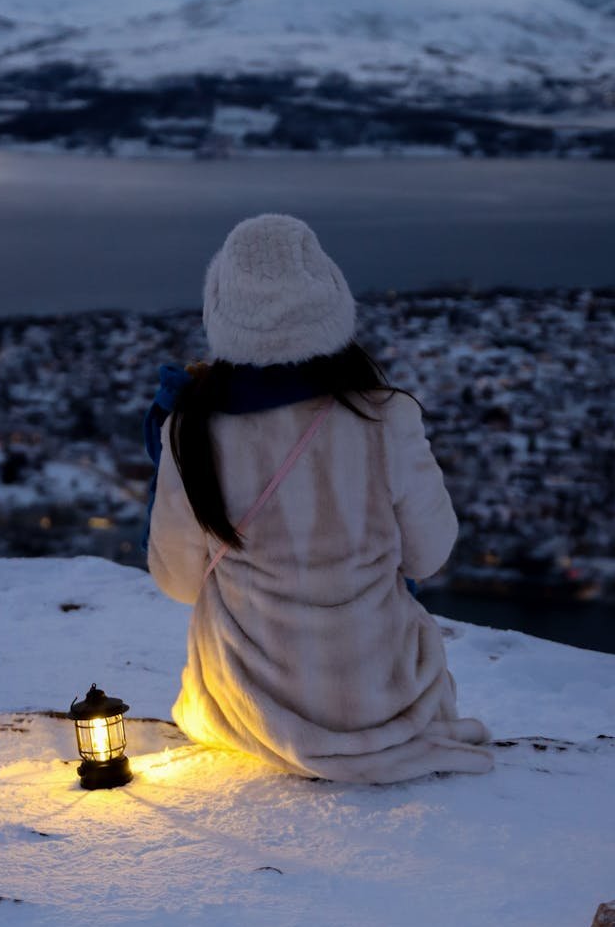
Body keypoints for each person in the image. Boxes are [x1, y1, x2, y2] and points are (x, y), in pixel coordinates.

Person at [147, 214, 492, 782]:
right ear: (332, 300)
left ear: (221, 311)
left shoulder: (190, 427)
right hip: (388, 697)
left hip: (247, 713)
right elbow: (429, 555)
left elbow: (179, 581)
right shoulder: (385, 416)